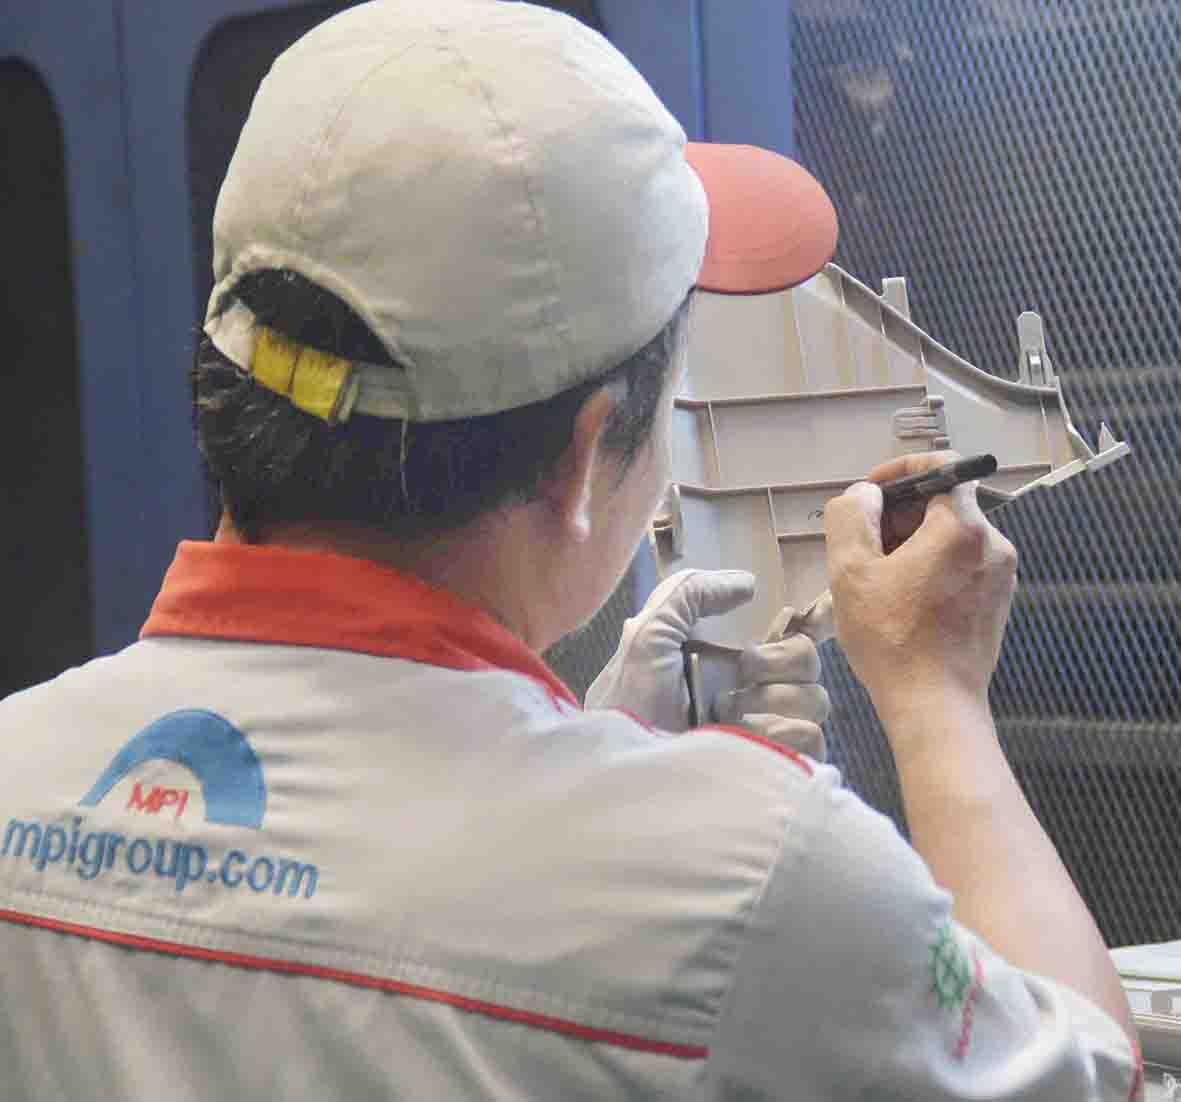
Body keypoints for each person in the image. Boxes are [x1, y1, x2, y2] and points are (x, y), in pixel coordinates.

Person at [0, 2, 1140, 1098]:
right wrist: (937, 696)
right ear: (585, 457)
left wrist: (585, 749)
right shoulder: (749, 881)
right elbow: (1090, 1075)